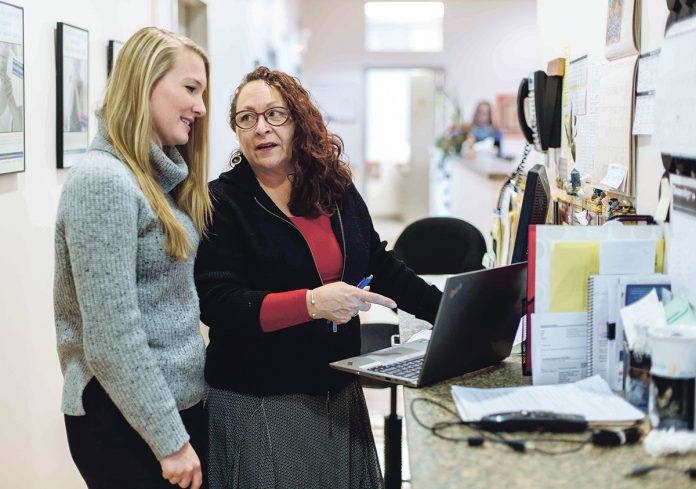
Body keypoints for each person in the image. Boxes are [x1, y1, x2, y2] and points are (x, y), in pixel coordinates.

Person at [194, 66, 443, 489]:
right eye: (246, 118)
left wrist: (450, 312)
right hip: (261, 400)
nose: (261, 128)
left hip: (337, 391)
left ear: (299, 121)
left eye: (275, 114)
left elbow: (378, 265)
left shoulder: (334, 187)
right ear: (236, 131)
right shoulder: (223, 201)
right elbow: (219, 301)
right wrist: (311, 303)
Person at [54, 27, 211, 489]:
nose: (200, 108)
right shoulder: (103, 181)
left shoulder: (154, 179)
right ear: (145, 83)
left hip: (166, 411)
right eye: (190, 88)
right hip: (127, 422)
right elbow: (111, 337)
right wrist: (170, 441)